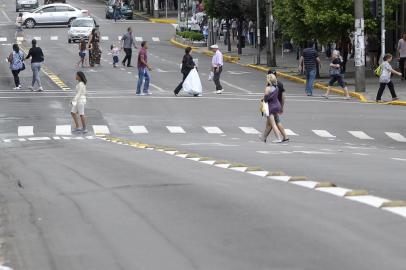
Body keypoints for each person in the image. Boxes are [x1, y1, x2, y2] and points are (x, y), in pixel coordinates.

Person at [264, 69, 289, 142]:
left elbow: (266, 97)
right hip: (277, 104)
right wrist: (281, 106)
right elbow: (283, 97)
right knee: (274, 122)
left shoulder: (270, 84)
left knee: (272, 123)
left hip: (271, 105)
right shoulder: (279, 84)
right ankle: (264, 137)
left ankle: (277, 137)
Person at [259, 74, 283, 143]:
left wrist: (262, 99)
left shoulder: (268, 88)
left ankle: (278, 138)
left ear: (268, 80)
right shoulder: (276, 87)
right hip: (277, 105)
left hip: (270, 107)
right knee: (269, 124)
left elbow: (266, 99)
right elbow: (273, 96)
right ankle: (263, 137)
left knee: (273, 124)